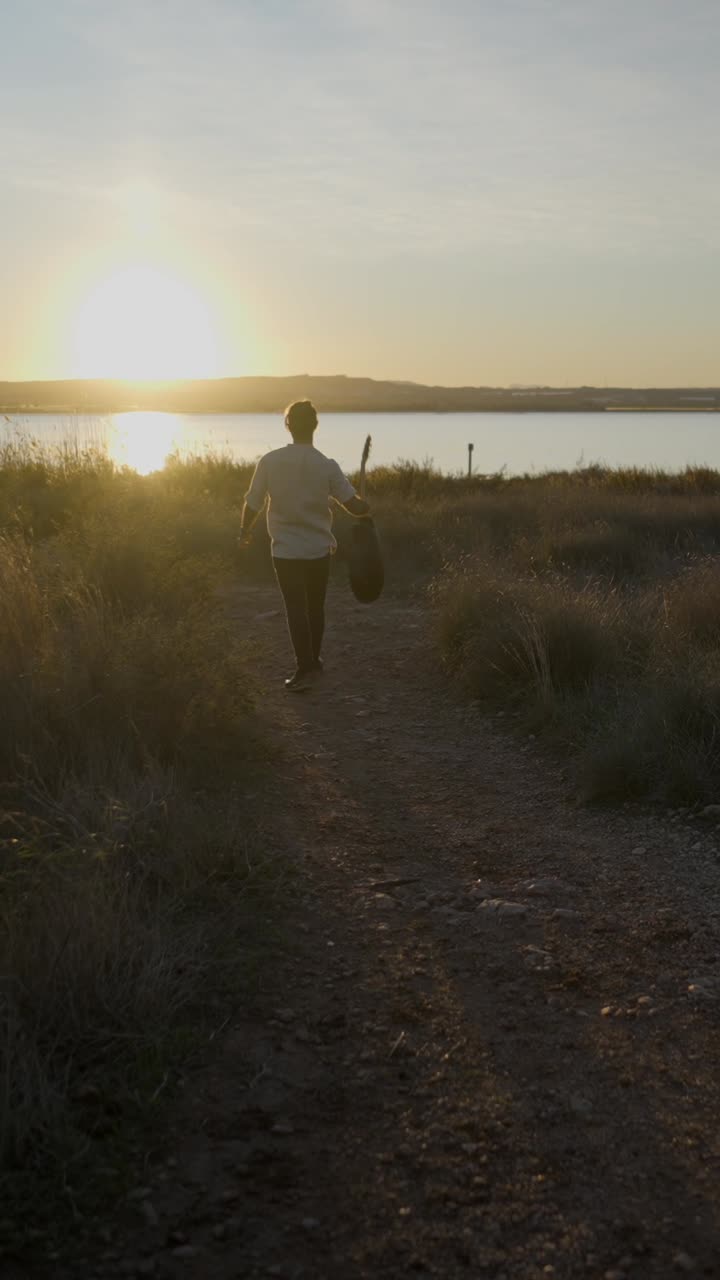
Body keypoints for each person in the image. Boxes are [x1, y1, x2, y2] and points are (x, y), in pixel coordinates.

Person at [239, 400, 370, 691]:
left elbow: (253, 502)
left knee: (296, 609)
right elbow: (354, 507)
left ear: (288, 425)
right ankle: (313, 662)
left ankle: (305, 667)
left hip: (285, 550)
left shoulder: (270, 461)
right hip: (318, 548)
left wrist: (243, 530)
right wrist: (365, 505)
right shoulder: (327, 466)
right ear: (315, 426)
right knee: (315, 607)